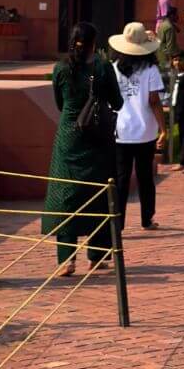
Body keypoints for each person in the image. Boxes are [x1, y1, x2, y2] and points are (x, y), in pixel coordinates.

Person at [42, 21, 121, 276]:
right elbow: (117, 101)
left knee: (66, 195)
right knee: (98, 194)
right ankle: (97, 255)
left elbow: (59, 103)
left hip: (69, 137)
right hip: (97, 138)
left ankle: (66, 259)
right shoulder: (103, 66)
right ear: (94, 43)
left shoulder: (61, 68)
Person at [109, 21, 167, 229]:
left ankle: (118, 222)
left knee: (121, 179)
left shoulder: (113, 68)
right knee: (145, 177)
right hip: (145, 132)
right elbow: (154, 100)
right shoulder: (150, 69)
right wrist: (163, 128)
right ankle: (147, 218)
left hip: (120, 131)